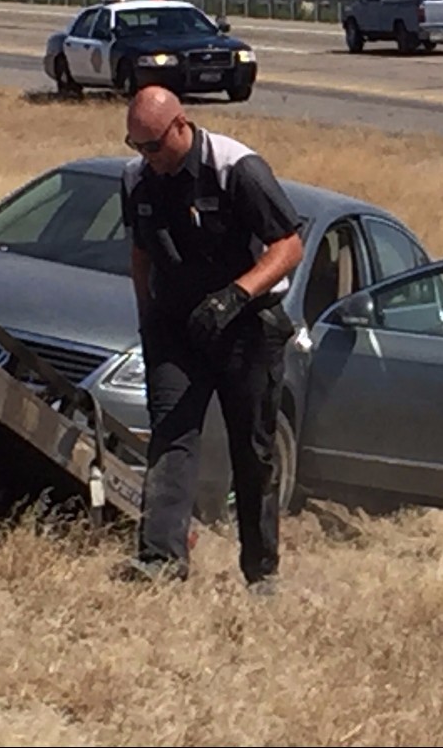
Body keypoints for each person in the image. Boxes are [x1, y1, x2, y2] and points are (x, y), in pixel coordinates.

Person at [117, 85, 304, 594]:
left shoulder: (236, 168)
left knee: (253, 447)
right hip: (179, 326)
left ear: (181, 125)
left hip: (246, 323)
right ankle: (159, 560)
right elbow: (140, 252)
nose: (147, 158)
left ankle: (261, 571)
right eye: (138, 147)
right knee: (171, 433)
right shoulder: (136, 179)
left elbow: (288, 247)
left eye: (154, 146)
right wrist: (147, 319)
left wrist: (236, 296)